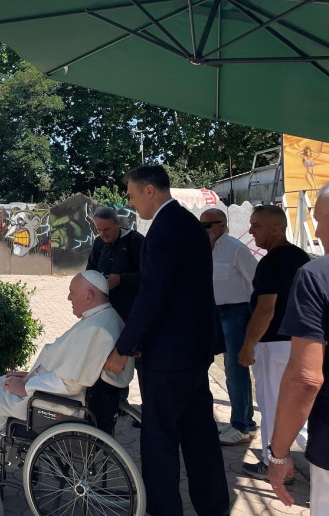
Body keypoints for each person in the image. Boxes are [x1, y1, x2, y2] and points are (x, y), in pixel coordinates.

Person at [104, 165, 229, 516]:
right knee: (199, 433)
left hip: (168, 354)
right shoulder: (187, 223)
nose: (131, 203)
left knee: (159, 438)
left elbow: (153, 294)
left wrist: (123, 347)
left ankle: (163, 509)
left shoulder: (164, 229)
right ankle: (214, 506)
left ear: (149, 190)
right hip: (193, 349)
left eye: (132, 195)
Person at [0, 270, 132, 506]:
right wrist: (30, 375)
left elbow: (69, 383)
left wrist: (26, 386)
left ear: (89, 295)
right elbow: (71, 369)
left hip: (62, 405)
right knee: (1, 383)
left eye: (72, 292)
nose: (68, 297)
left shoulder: (95, 329)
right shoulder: (106, 317)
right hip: (70, 396)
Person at [268, 180, 329, 513]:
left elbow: (305, 379)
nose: (319, 234)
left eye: (318, 222)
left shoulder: (319, 275)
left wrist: (279, 453)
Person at [237, 204, 310, 482]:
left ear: (276, 228)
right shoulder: (300, 256)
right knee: (298, 404)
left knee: (273, 405)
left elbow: (265, 308)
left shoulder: (271, 262)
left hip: (274, 344)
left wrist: (248, 345)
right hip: (299, 341)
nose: (251, 231)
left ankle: (274, 463)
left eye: (256, 226)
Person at [199, 208, 258, 446]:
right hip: (213, 313)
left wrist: (254, 318)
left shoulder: (236, 249)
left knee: (235, 369)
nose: (203, 230)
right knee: (221, 367)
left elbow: (257, 283)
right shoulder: (204, 250)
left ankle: (242, 425)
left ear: (221, 225)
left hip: (236, 313)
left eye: (206, 225)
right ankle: (242, 421)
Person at [86, 206, 144, 323]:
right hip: (103, 309)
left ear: (117, 223)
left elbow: (149, 275)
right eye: (99, 230)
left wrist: (121, 279)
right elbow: (90, 270)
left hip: (131, 311)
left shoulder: (135, 240)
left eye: (107, 229)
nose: (103, 234)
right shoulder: (99, 242)